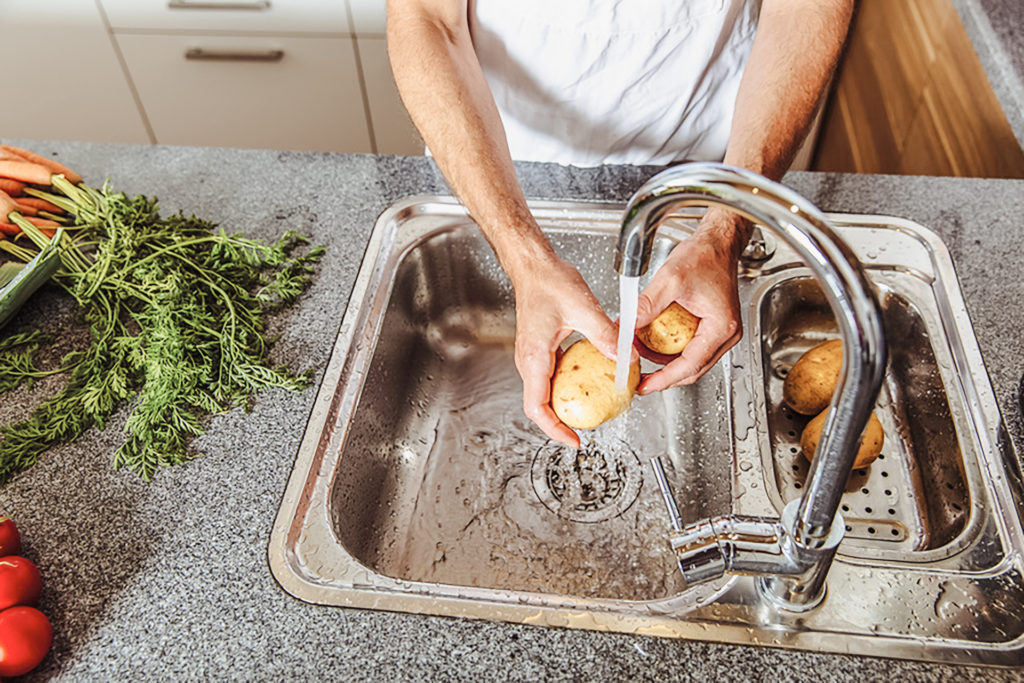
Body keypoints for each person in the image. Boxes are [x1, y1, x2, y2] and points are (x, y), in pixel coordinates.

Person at [387, 0, 854, 448]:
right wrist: (523, 258)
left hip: (709, 156)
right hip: (497, 158)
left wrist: (725, 231)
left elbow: (805, 7)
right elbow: (426, 18)